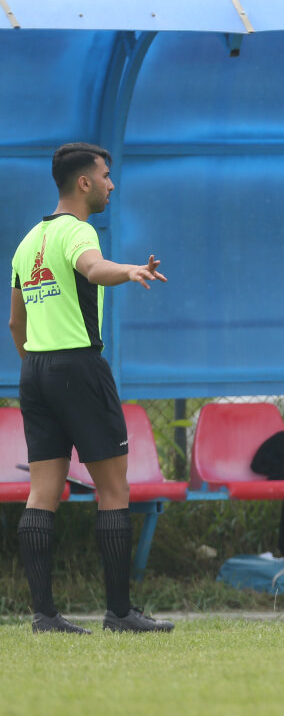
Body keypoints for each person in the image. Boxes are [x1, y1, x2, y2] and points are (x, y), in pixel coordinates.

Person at [9, 142, 173, 634]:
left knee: (42, 492)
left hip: (35, 370)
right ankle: (120, 614)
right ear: (84, 182)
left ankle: (44, 616)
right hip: (78, 366)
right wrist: (130, 270)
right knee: (113, 488)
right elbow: (93, 269)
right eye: (105, 176)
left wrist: (39, 371)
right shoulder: (78, 231)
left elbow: (15, 323)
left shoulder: (27, 241)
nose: (111, 184)